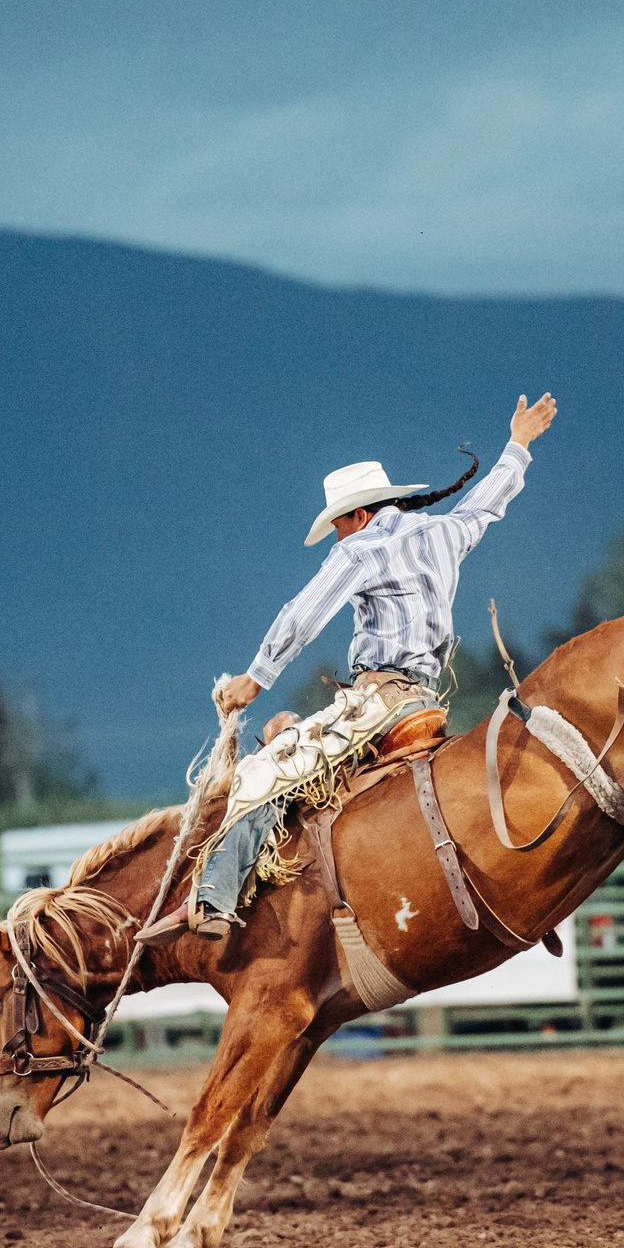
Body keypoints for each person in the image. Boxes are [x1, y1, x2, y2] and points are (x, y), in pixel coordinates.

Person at [145, 391, 556, 941]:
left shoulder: (359, 550)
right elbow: (485, 506)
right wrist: (518, 445)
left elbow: (304, 613)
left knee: (267, 772)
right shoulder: (441, 534)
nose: (335, 537)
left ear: (358, 515)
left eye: (337, 525)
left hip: (381, 700)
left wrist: (256, 677)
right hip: (426, 698)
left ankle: (214, 900)